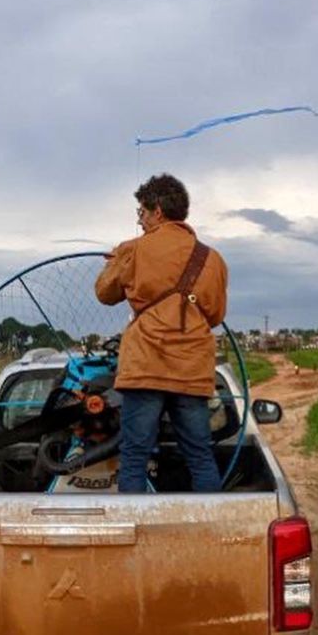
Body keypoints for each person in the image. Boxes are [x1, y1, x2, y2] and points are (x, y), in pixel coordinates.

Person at [95, 174, 228, 494]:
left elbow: (104, 293)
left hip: (145, 369)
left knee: (135, 456)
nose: (139, 221)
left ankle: (136, 533)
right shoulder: (213, 259)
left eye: (141, 213)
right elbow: (216, 315)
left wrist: (114, 265)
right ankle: (209, 531)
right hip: (191, 370)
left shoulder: (133, 250)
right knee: (199, 456)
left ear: (157, 211)